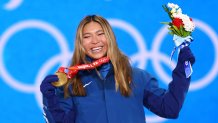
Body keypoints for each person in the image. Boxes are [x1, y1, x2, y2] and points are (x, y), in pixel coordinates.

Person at [40, 15, 195, 123]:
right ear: (80, 43)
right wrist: (49, 99)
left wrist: (183, 67)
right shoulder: (71, 83)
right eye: (87, 37)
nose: (95, 41)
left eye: (100, 34)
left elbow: (169, 108)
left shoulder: (138, 77)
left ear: (110, 38)